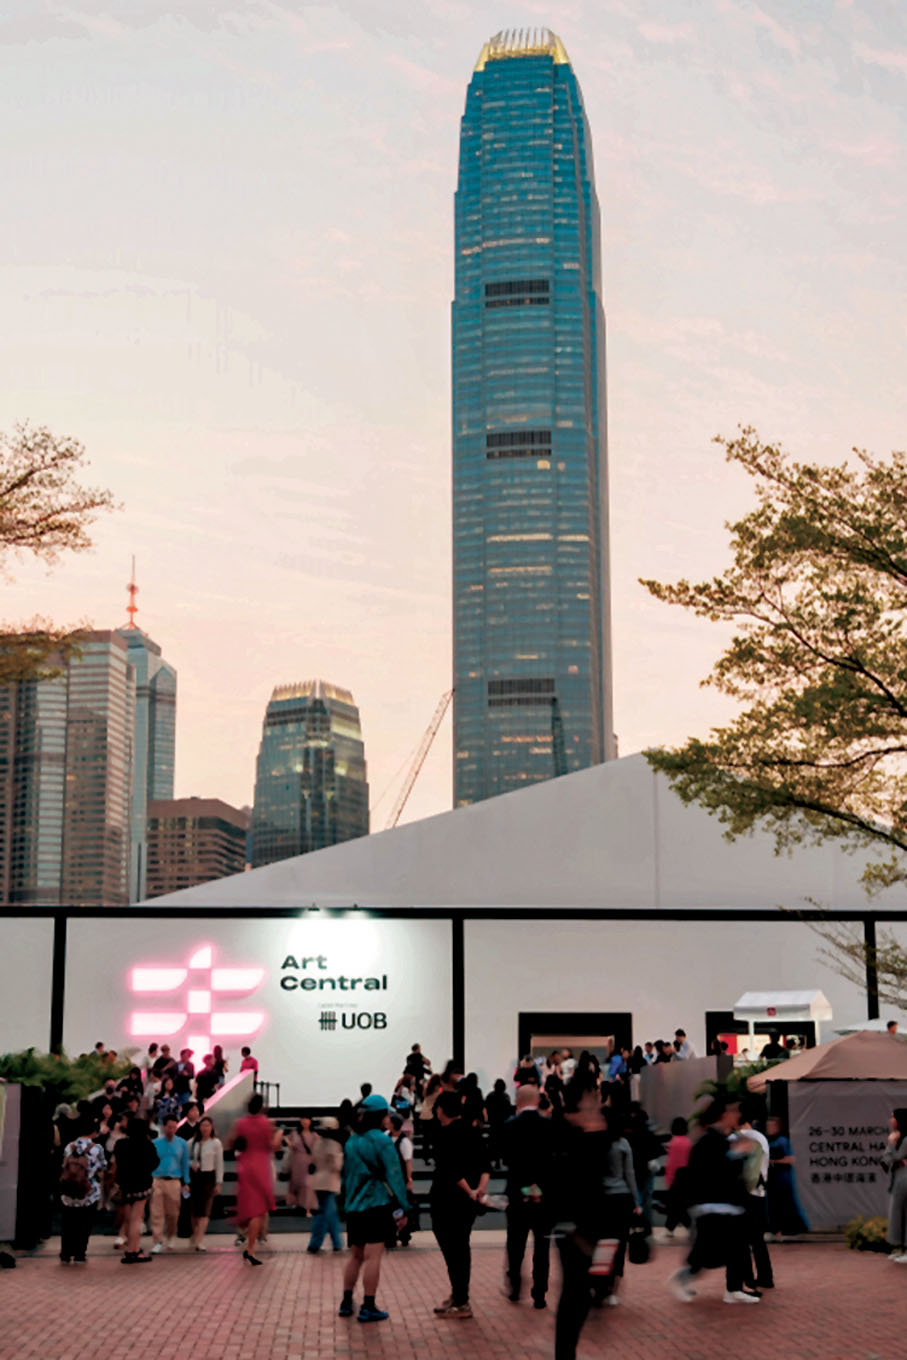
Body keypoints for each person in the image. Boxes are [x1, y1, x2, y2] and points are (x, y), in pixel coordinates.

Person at [667, 1097, 758, 1305]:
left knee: (738, 1248)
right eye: (733, 1111)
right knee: (707, 1252)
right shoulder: (708, 1140)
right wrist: (736, 1154)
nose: (737, 1115)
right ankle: (682, 1278)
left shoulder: (723, 1139)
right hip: (711, 1206)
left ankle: (734, 1289)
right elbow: (710, 1171)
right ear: (724, 1115)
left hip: (728, 1204)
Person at [339, 1093, 410, 1322]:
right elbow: (394, 1174)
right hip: (376, 1204)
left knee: (355, 1256)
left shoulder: (352, 1141)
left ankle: (346, 1302)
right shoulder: (382, 1141)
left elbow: (346, 1176)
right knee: (373, 1257)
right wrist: (404, 1205)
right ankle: (368, 1305)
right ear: (380, 1116)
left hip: (354, 1206)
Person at [430, 1089, 490, 1319]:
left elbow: (450, 1170)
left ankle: (461, 1299)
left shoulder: (443, 1135)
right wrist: (479, 1189)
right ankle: (458, 1294)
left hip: (447, 1200)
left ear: (441, 1110)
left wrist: (469, 1190)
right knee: (461, 1246)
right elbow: (485, 1165)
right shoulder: (473, 1131)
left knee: (453, 1250)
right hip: (468, 1203)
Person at [500, 1083, 555, 1308]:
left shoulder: (510, 1126)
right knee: (542, 1246)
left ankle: (515, 1285)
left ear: (518, 1101)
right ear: (538, 1100)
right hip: (543, 1194)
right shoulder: (549, 1125)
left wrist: (525, 1186)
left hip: (517, 1192)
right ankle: (539, 1292)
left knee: (515, 1242)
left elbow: (506, 1158)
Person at [228, 1093, 282, 1265]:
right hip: (261, 1167)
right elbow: (273, 1146)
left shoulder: (240, 1123)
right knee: (258, 1211)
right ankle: (251, 1248)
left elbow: (230, 1143)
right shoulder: (267, 1123)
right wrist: (279, 1134)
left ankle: (248, 1246)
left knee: (250, 1207)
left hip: (245, 1166)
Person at [733, 1105, 773, 1292]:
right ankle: (766, 1276)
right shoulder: (762, 1138)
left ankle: (745, 1279)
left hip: (744, 1194)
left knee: (741, 1239)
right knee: (758, 1239)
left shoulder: (737, 1138)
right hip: (760, 1192)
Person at [113, 1117, 158, 1263]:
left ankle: (130, 1248)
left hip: (125, 1185)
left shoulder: (120, 1144)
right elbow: (154, 1163)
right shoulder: (147, 1145)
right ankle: (133, 1250)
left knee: (128, 1219)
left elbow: (117, 1162)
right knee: (137, 1219)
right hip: (142, 1184)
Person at [58, 1130, 107, 1263]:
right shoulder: (97, 1149)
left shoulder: (69, 1147)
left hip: (69, 1192)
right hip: (88, 1192)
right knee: (85, 1224)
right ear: (94, 1132)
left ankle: (65, 1253)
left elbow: (63, 1165)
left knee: (68, 1224)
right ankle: (80, 1253)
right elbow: (103, 1166)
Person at [150, 1114, 190, 1252]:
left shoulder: (181, 1143)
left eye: (174, 1127)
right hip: (157, 1180)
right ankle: (157, 1240)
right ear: (164, 1127)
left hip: (174, 1181)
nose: (171, 1130)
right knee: (156, 1212)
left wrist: (186, 1182)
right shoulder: (155, 1143)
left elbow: (185, 1163)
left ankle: (171, 1235)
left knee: (173, 1213)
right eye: (169, 1127)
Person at [766, 1115, 808, 1237]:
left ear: (778, 1127)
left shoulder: (782, 1141)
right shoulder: (768, 1141)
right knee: (773, 1204)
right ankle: (776, 1230)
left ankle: (789, 1229)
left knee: (784, 1203)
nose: (769, 1128)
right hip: (772, 1178)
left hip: (782, 1178)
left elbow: (791, 1159)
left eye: (772, 1126)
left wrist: (773, 1161)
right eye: (768, 1126)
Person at [307, 1117, 344, 1253]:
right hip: (330, 1181)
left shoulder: (317, 1143)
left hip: (318, 1180)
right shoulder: (335, 1145)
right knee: (329, 1214)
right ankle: (335, 1242)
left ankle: (318, 1243)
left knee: (324, 1212)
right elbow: (337, 1166)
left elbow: (313, 1162)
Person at [188, 1115, 223, 1251]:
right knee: (194, 1211)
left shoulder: (216, 1143)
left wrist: (219, 1182)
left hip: (208, 1177)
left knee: (205, 1210)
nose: (205, 1128)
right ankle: (195, 1233)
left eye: (208, 1126)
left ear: (212, 1128)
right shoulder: (192, 1143)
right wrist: (191, 1164)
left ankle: (200, 1239)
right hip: (194, 1177)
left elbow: (219, 1164)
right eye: (203, 1125)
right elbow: (185, 1159)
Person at [883, 1108, 907, 1261]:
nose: (891, 1120)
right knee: (898, 1214)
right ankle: (902, 1248)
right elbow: (887, 1159)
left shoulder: (905, 1139)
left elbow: (895, 1157)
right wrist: (892, 1147)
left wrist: (891, 1144)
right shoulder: (897, 1137)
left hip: (904, 1179)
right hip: (898, 1179)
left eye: (893, 1117)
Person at [664, 1116, 692, 1235]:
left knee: (676, 1205)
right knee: (681, 1204)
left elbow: (671, 1163)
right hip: (687, 1178)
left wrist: (668, 1179)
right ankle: (672, 1227)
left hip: (674, 1178)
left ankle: (672, 1227)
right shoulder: (688, 1142)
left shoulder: (672, 1142)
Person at [285, 1116, 318, 1214]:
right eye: (303, 1120)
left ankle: (307, 1207)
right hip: (296, 1160)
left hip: (308, 1160)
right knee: (296, 1182)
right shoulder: (295, 1134)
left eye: (307, 1120)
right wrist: (290, 1145)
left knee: (307, 1184)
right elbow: (286, 1139)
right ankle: (297, 1202)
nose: (305, 1122)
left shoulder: (314, 1135)